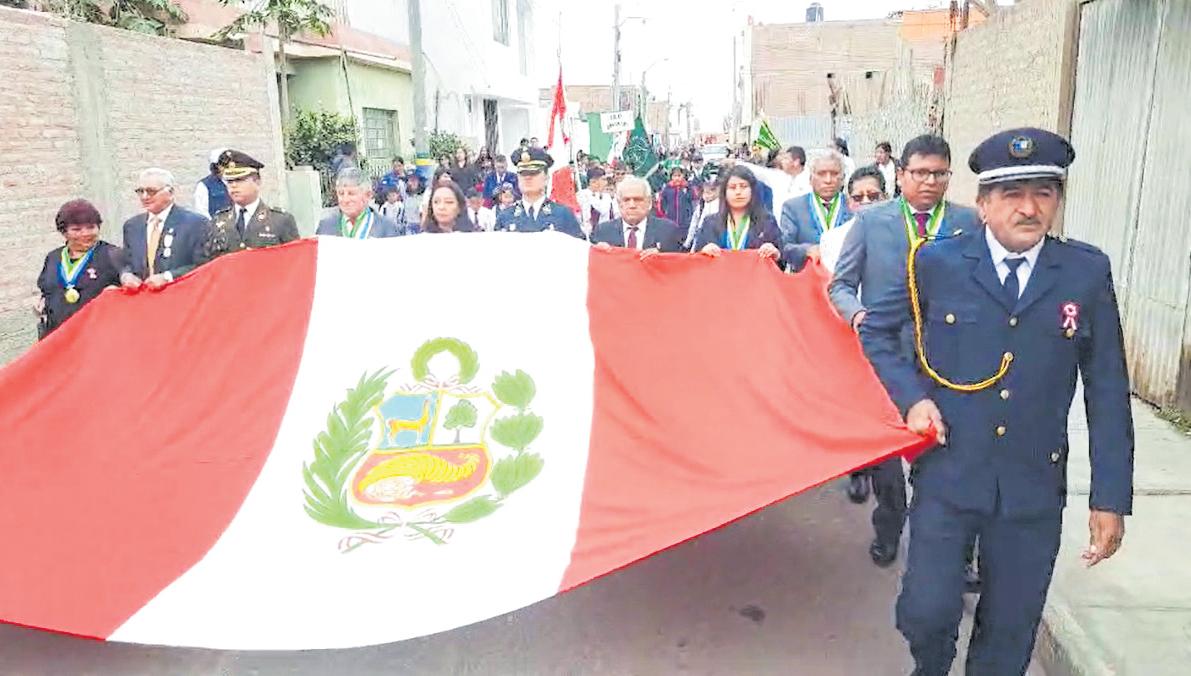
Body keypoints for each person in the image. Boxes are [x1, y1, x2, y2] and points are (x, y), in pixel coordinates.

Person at [859, 128, 1132, 676]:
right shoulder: (937, 263)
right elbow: (877, 331)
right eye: (1012, 195)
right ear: (983, 204)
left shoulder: (1084, 273)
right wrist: (913, 399)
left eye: (1043, 194)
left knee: (1010, 631)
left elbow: (1107, 388)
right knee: (926, 610)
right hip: (950, 470)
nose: (1029, 209)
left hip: (1032, 484)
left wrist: (1110, 498)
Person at [829, 135, 982, 568]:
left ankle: (953, 551)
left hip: (948, 360)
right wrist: (859, 316)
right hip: (886, 358)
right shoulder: (872, 221)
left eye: (939, 173)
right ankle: (889, 528)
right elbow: (841, 284)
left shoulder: (968, 223)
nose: (930, 181)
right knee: (888, 464)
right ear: (900, 175)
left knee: (945, 455)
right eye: (920, 173)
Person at [35, 199, 127, 337]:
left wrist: (119, 293)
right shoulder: (53, 258)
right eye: (76, 229)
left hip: (100, 337)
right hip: (59, 335)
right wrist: (41, 302)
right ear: (64, 232)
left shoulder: (113, 255)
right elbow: (46, 290)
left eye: (91, 227)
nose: (85, 233)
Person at [120, 168, 209, 290]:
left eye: (151, 191)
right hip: (143, 295)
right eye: (140, 191)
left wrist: (168, 277)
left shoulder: (195, 223)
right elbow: (127, 262)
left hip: (180, 292)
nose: (145, 197)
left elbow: (203, 265)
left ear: (170, 193)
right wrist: (126, 275)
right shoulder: (132, 226)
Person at [204, 150, 300, 261]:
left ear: (257, 182)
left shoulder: (280, 220)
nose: (234, 186)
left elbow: (294, 261)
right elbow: (209, 263)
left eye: (240, 180)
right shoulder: (218, 220)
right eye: (230, 181)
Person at [692, 165, 785, 266]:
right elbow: (695, 262)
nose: (738, 192)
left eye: (743, 186)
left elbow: (782, 263)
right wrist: (703, 252)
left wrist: (775, 254)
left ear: (752, 190)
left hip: (755, 275)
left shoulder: (767, 222)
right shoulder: (710, 223)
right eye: (732, 187)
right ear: (724, 192)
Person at [779, 150, 853, 272]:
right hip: (807, 278)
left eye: (834, 174)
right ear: (810, 178)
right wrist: (807, 250)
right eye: (821, 174)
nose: (828, 180)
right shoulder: (793, 208)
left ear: (843, 178)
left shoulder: (853, 206)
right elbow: (784, 248)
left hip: (845, 278)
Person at [493, 147, 583, 238]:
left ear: (546, 178)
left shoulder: (563, 215)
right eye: (523, 173)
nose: (527, 177)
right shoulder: (505, 217)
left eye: (533, 173)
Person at [821, 164, 888, 272]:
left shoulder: (902, 234)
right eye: (858, 198)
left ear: (886, 198)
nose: (866, 202)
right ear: (849, 202)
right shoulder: (831, 240)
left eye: (873, 196)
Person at [591, 175, 683, 254]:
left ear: (649, 202)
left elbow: (679, 264)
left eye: (638, 200)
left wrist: (661, 257)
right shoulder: (603, 231)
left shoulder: (668, 231)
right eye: (626, 200)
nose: (632, 205)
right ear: (619, 203)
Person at [316, 167, 402, 238]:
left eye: (351, 194)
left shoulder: (387, 229)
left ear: (368, 195)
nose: (345, 200)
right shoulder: (325, 228)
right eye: (341, 194)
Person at [685, 172, 721, 251]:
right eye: (705, 192)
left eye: (709, 193)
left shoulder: (720, 205)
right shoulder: (701, 205)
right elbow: (694, 224)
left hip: (715, 235)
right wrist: (688, 241)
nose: (707, 196)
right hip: (700, 234)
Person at [577, 167, 619, 235]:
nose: (606, 182)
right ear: (593, 181)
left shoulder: (607, 196)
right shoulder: (582, 196)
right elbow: (583, 219)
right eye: (603, 179)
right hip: (590, 235)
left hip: (607, 233)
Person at [193, 148, 231, 218]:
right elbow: (202, 212)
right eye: (224, 164)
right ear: (215, 166)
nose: (228, 167)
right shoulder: (204, 185)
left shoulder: (238, 182)